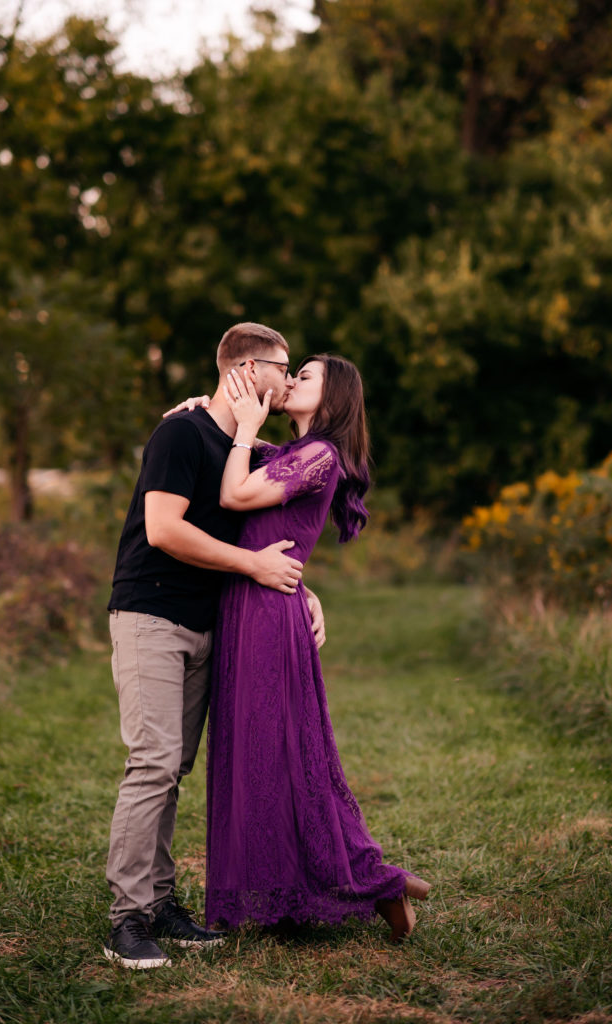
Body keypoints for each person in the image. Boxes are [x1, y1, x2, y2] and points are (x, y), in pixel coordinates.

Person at [103, 322, 327, 969]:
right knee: (152, 761)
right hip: (151, 612)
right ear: (247, 368)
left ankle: (161, 905)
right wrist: (251, 567)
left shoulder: (244, 448)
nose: (288, 379)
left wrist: (303, 591)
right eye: (282, 366)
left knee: (173, 769)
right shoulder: (180, 432)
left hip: (209, 623)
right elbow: (163, 529)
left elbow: (270, 530)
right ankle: (126, 920)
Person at [204, 356, 431, 942]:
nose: (292, 382)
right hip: (249, 602)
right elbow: (234, 468)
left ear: (333, 400)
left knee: (280, 755)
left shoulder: (319, 455)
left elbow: (234, 496)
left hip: (266, 613)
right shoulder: (288, 454)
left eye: (305, 376)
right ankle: (365, 880)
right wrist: (206, 414)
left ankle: (371, 880)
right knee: (261, 752)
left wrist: (247, 430)